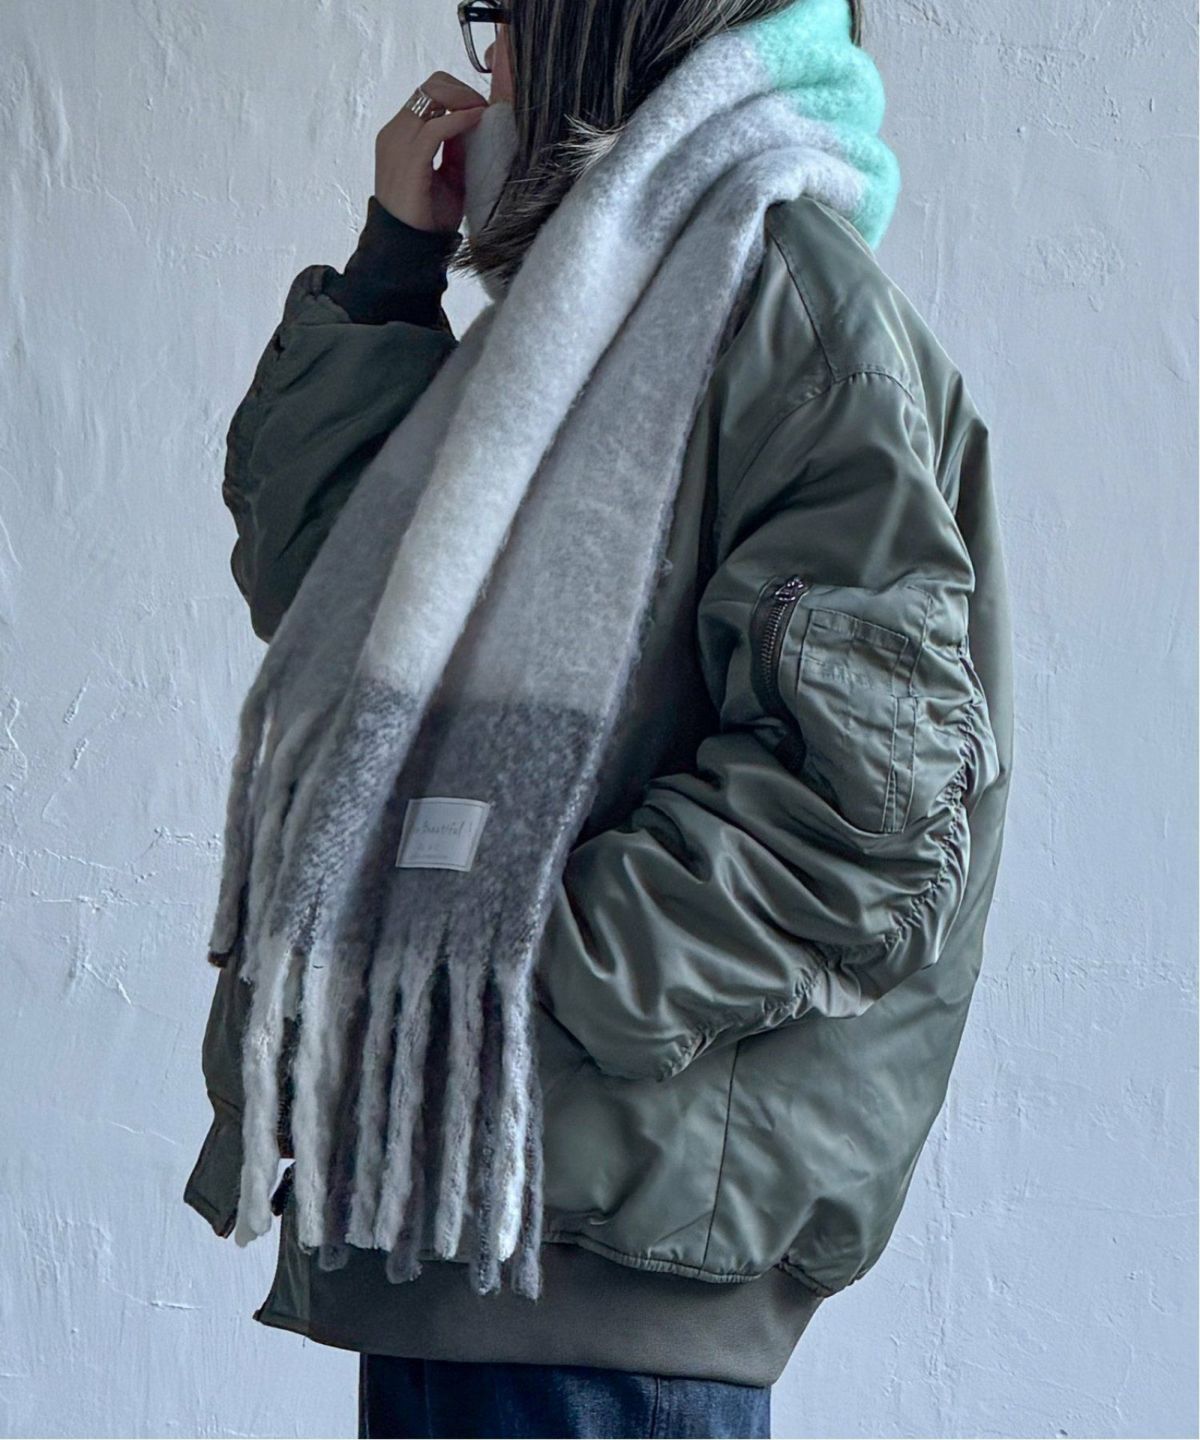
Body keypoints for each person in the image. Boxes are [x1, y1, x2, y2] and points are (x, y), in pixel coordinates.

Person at [183, 2, 1014, 1436]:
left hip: (587, 1241)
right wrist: (388, 277)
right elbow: (330, 594)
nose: (488, 62)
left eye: (504, 18)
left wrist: (517, 966)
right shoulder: (579, 321)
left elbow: (866, 800)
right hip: (468, 1210)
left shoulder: (777, 308)